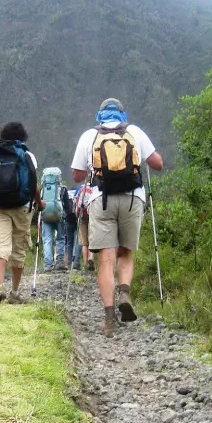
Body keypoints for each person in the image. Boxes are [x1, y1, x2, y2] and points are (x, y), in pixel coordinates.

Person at [71, 98, 163, 336]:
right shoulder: (134, 132)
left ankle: (110, 317)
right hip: (133, 198)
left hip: (101, 201)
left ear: (99, 115)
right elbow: (158, 163)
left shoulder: (89, 136)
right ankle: (124, 293)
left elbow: (77, 176)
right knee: (126, 253)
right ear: (123, 114)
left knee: (106, 260)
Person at [0, 122, 44, 303]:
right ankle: (15, 293)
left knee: (1, 244)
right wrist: (39, 203)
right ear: (22, 136)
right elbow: (33, 184)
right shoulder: (27, 154)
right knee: (19, 248)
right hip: (22, 206)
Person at [39, 167, 69, 271]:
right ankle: (59, 262)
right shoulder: (63, 189)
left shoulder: (42, 189)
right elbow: (67, 206)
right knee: (60, 238)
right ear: (58, 178)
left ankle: (48, 265)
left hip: (46, 215)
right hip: (59, 216)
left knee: (47, 239)